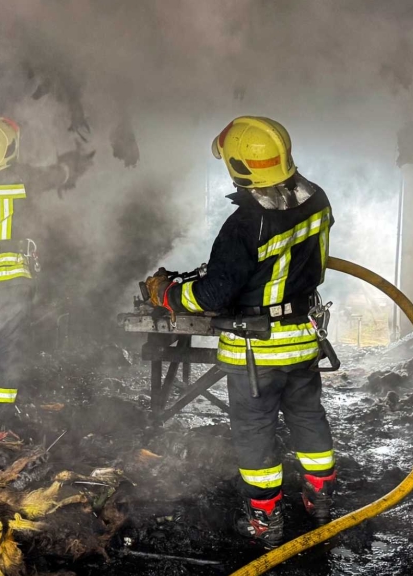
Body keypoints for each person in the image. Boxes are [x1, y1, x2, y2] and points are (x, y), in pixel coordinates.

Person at [144, 116, 336, 548]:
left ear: (240, 167)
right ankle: (320, 500)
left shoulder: (246, 224)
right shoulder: (317, 199)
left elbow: (212, 295)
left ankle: (265, 520)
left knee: (255, 432)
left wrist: (169, 295)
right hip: (303, 340)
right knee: (308, 417)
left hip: (257, 352)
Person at [0, 117, 74, 449]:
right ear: (10, 152)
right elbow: (50, 177)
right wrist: (70, 169)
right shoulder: (18, 182)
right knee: (9, 352)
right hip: (7, 279)